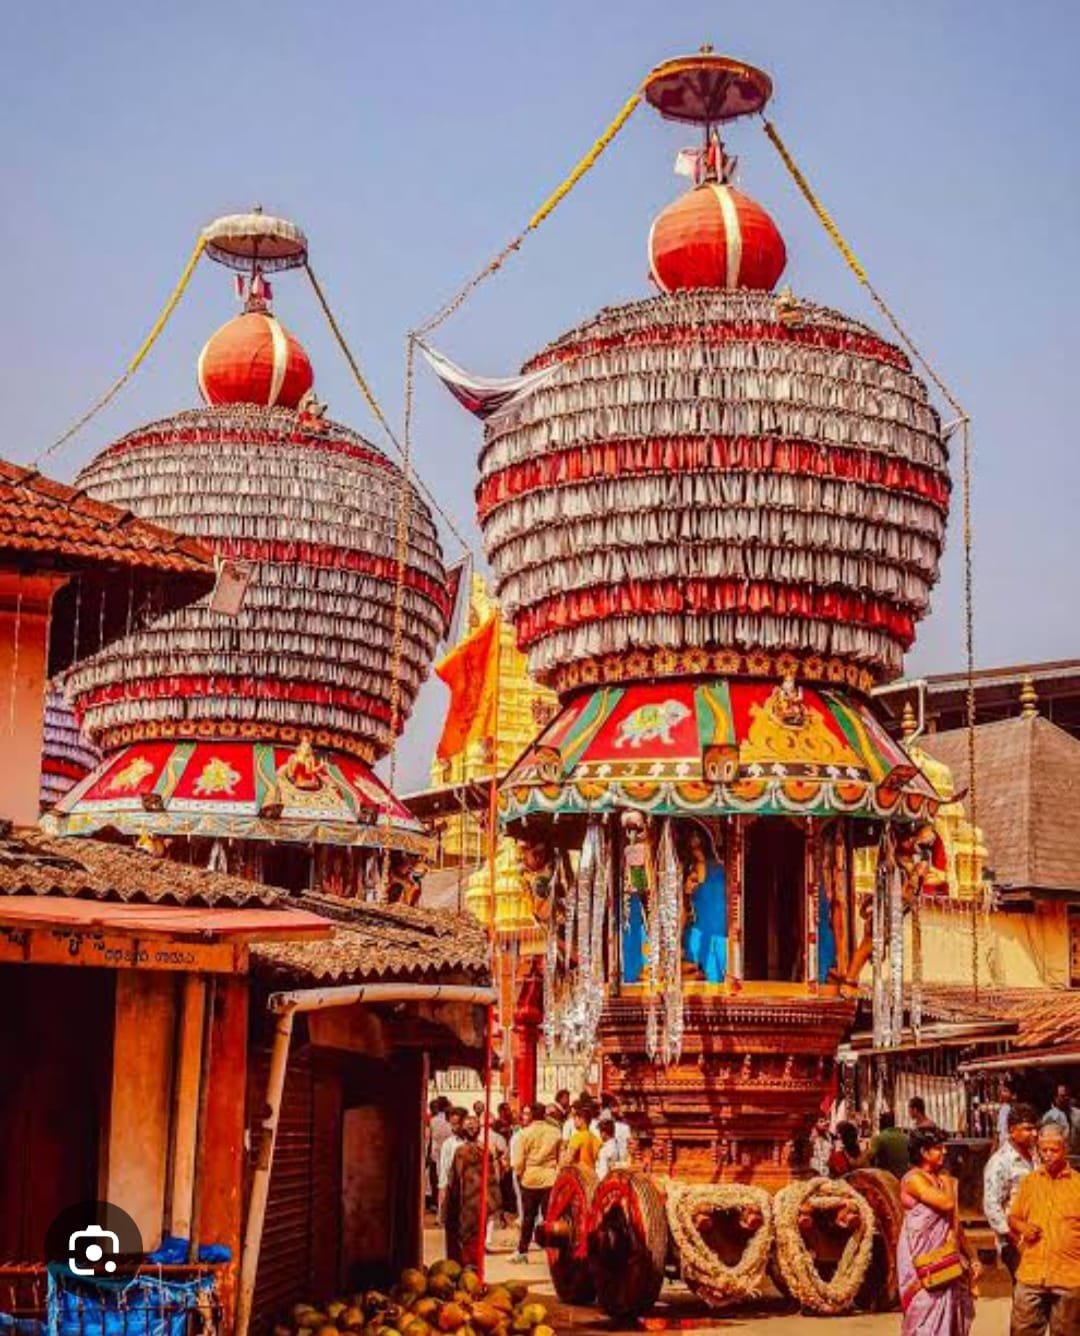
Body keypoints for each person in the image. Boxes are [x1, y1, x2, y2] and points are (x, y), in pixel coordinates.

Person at [897, 1127, 977, 1334]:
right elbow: (947, 1204)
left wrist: (971, 1255)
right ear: (924, 1152)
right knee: (924, 1309)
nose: (944, 1152)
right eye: (938, 1148)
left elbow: (954, 1222)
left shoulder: (939, 1179)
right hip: (922, 1258)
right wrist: (949, 1182)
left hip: (947, 1256)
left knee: (953, 1313)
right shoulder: (914, 1179)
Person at [1007, 1123, 1080, 1334]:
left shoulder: (1077, 1185)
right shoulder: (1030, 1182)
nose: (1048, 1155)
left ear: (1065, 1149)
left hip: (1069, 1278)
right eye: (1043, 1150)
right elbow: (1012, 1217)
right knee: (1022, 1330)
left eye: (1053, 1150)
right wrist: (1023, 1227)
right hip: (1031, 1275)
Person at [983, 1102, 1037, 1280]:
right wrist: (1013, 1239)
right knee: (1025, 1294)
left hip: (1036, 1236)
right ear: (1013, 1130)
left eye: (1035, 1128)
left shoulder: (1036, 1156)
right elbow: (991, 1205)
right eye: (1028, 1129)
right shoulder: (1000, 1162)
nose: (1034, 1134)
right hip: (1013, 1240)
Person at [509, 1103, 562, 1264]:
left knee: (528, 1218)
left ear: (531, 1116)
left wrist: (519, 1174)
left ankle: (522, 1251)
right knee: (549, 1218)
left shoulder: (524, 1134)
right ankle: (552, 1251)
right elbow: (561, 1156)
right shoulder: (555, 1132)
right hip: (550, 1177)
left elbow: (518, 1162)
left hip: (530, 1178)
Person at [444, 1113, 497, 1267]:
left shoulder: (461, 1151)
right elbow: (493, 1179)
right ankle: (474, 1272)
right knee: (477, 1240)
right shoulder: (485, 1150)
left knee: (464, 1243)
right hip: (481, 1201)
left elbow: (455, 1180)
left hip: (466, 1203)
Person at [437, 1106, 467, 1223]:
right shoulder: (448, 1144)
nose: (454, 1127)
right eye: (452, 1124)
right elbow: (444, 1168)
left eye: (457, 1124)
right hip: (453, 1185)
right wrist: (442, 1188)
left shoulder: (473, 1142)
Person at [868, 1110, 911, 1180]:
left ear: (881, 1123)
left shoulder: (879, 1138)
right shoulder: (905, 1137)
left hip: (887, 1179)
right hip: (905, 1178)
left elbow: (869, 1157)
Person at [1040, 1084, 1080, 1157]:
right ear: (1055, 1097)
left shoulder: (1078, 1113)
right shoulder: (1050, 1116)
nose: (1066, 1098)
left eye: (1068, 1095)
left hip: (1077, 1155)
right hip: (1059, 1155)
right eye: (1063, 1096)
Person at [563, 1104, 601, 1171]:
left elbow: (569, 1158)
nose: (574, 1122)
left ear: (582, 1120)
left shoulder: (577, 1136)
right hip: (591, 1173)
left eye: (575, 1119)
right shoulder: (594, 1137)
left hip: (579, 1174)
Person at [595, 1114, 620, 1181]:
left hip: (603, 1181)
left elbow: (604, 1170)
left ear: (604, 1133)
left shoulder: (607, 1149)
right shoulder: (614, 1145)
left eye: (600, 1132)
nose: (600, 1134)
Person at [998, 1081, 1017, 1148]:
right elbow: (999, 1129)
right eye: (1002, 1091)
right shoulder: (1003, 1108)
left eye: (1005, 1091)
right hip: (1003, 1140)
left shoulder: (1011, 1108)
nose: (1002, 1093)